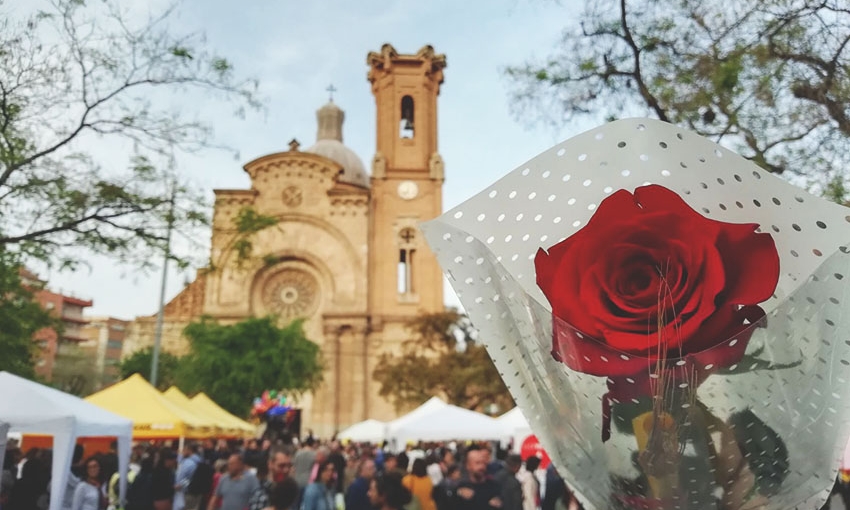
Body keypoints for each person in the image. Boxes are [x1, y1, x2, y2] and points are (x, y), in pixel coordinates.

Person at [175, 443, 203, 510]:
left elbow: (190, 478)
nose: (182, 452)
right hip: (192, 492)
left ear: (189, 450)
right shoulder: (196, 461)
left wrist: (181, 485)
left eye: (184, 450)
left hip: (188, 493)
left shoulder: (190, 463)